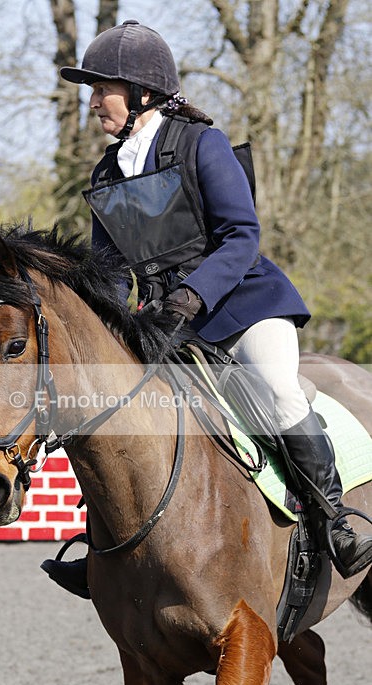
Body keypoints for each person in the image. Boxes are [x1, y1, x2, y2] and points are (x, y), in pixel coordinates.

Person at [41, 20, 372, 597]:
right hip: (166, 323)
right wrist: (110, 325)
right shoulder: (107, 172)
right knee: (112, 409)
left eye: (102, 89)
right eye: (92, 90)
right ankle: (101, 544)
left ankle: (336, 522)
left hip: (241, 304)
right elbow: (110, 269)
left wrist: (191, 295)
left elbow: (241, 236)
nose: (93, 102)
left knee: (278, 390)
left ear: (142, 93)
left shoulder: (201, 144)